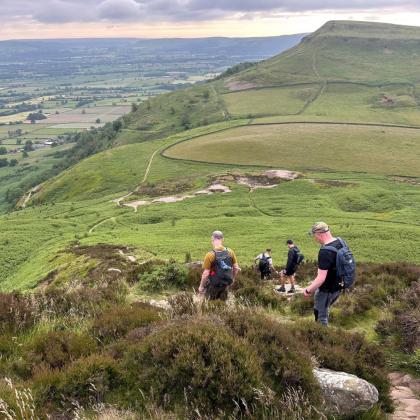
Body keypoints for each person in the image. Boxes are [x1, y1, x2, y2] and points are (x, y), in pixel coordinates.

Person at [303, 222, 346, 326]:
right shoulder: (341, 242)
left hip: (326, 290)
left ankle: (323, 339)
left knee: (320, 316)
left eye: (314, 235)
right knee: (325, 309)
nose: (315, 238)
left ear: (319, 234)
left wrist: (308, 290)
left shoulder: (325, 251)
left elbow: (321, 278)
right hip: (338, 287)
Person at [198, 231, 240, 301]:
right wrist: (233, 279)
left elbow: (205, 274)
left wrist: (201, 286)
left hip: (213, 285)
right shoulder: (230, 252)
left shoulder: (210, 255)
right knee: (223, 305)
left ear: (212, 239)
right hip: (225, 284)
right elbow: (236, 268)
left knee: (209, 306)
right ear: (222, 239)